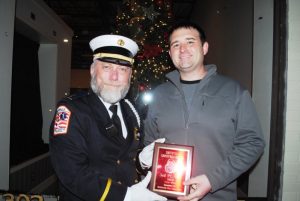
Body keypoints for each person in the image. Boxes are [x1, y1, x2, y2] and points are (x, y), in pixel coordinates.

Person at [143, 21, 265, 201]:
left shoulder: (233, 91)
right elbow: (150, 142)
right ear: (170, 54)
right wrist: (146, 159)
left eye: (190, 42)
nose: (183, 49)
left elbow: (253, 143)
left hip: (216, 196)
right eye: (176, 45)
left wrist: (213, 180)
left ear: (205, 48)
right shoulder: (159, 95)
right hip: (165, 196)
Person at [49, 34, 167, 201]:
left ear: (130, 75)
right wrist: (126, 195)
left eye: (122, 70)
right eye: (106, 67)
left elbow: (122, 159)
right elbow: (71, 173)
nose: (115, 76)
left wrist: (141, 160)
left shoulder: (131, 110)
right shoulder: (72, 110)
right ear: (92, 70)